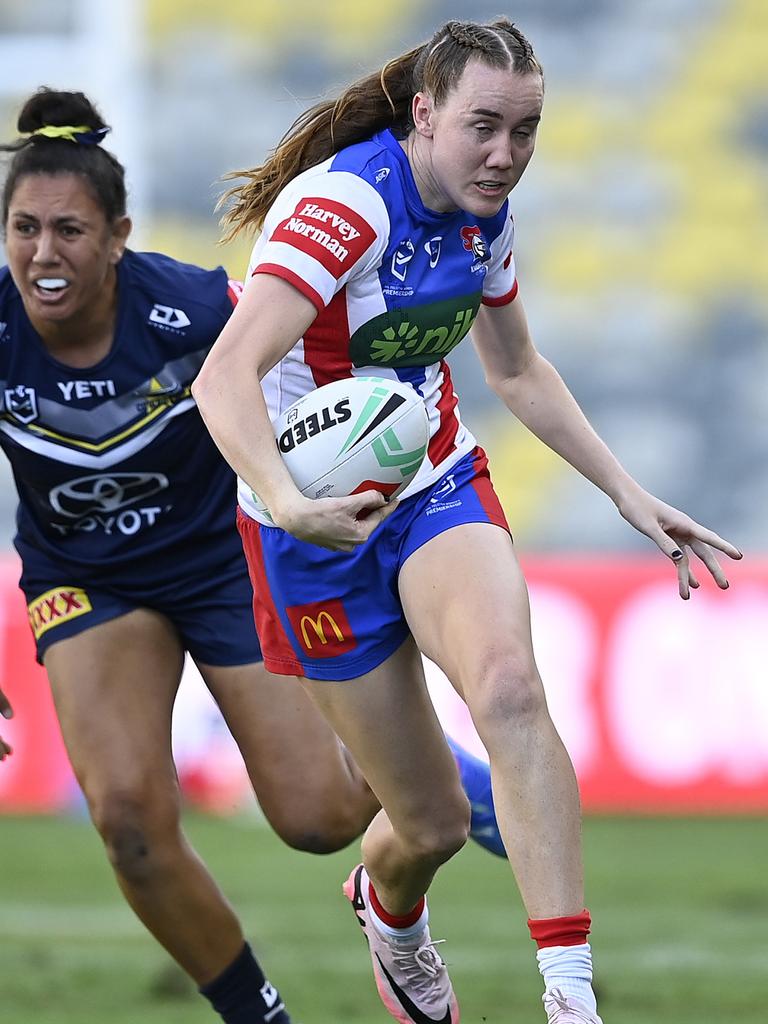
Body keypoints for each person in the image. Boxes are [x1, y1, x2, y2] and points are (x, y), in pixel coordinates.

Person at [191, 16, 744, 1024]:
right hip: (305, 524)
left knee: (511, 687)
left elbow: (517, 369)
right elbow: (225, 375)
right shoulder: (343, 207)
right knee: (430, 824)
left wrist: (628, 494)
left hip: (432, 480)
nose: (505, 155)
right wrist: (288, 503)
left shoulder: (487, 217)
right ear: (425, 114)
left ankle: (571, 999)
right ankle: (388, 909)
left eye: (525, 131)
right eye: (484, 126)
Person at [0, 87, 506, 1024]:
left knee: (318, 820)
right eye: (23, 228)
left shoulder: (194, 310)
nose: (43, 253)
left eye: (69, 230)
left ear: (117, 236)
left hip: (221, 558)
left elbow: (308, 372)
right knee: (127, 825)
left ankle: (426, 764)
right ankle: (256, 1015)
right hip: (85, 578)